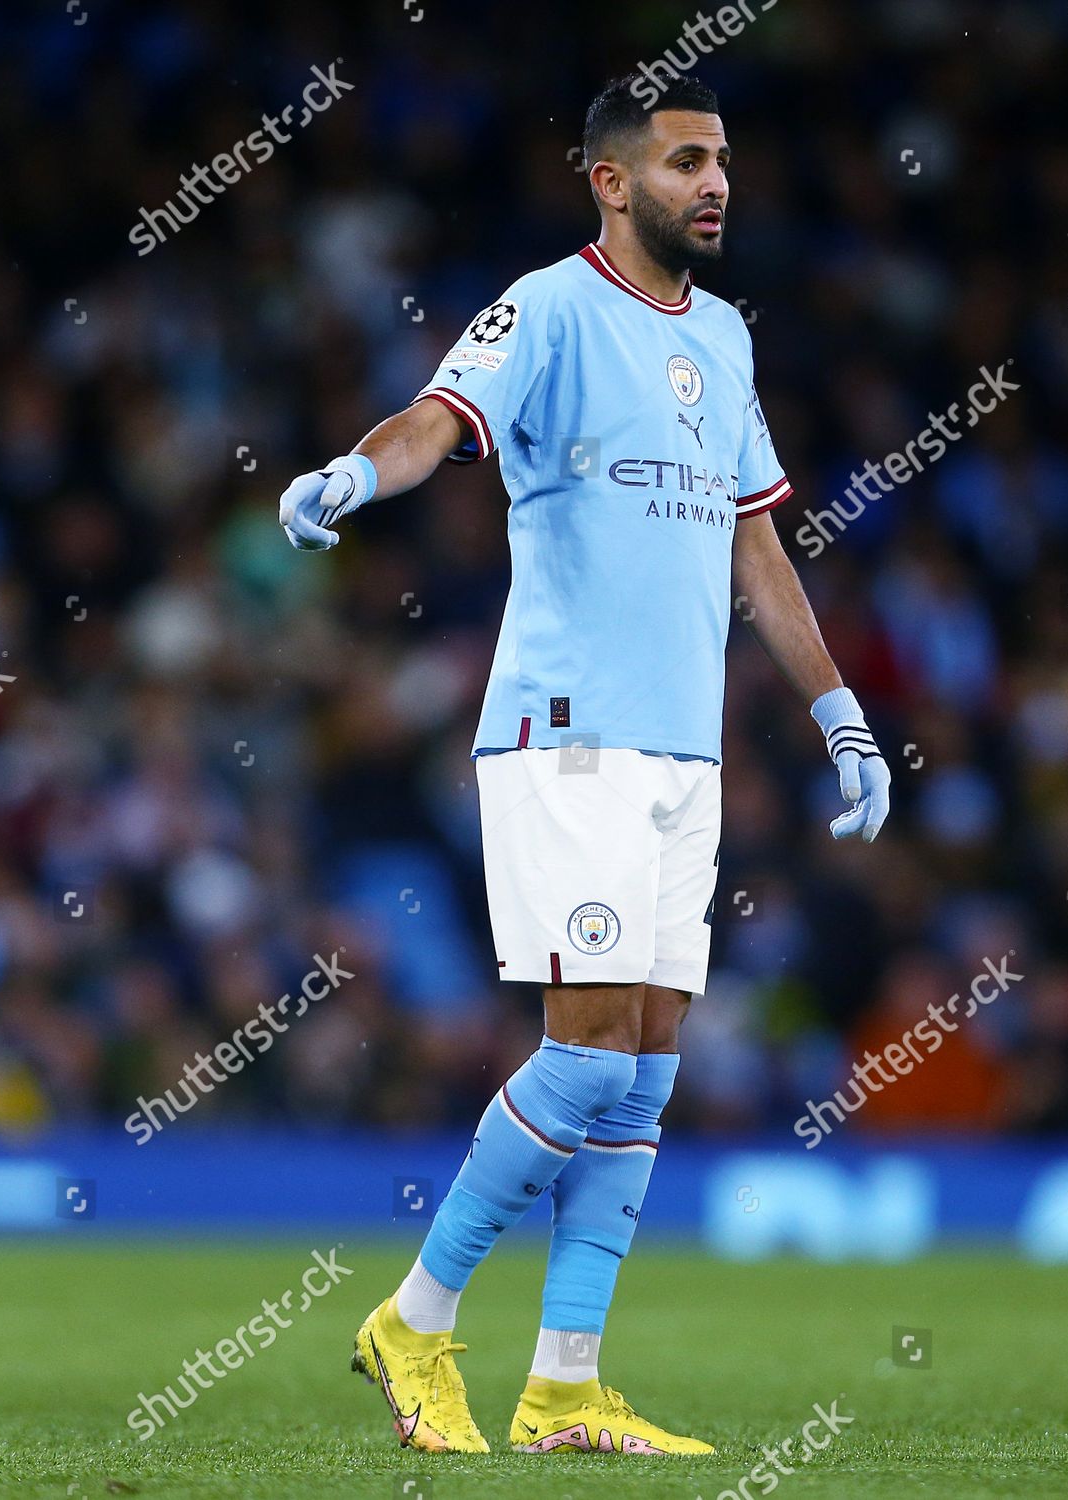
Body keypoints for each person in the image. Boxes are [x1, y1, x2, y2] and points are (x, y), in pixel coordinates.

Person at [278, 72, 890, 1458]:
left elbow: (756, 544)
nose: (715, 183)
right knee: (586, 1052)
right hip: (571, 733)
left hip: (686, 750)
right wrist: (354, 477)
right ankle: (417, 1321)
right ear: (612, 182)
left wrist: (840, 712)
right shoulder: (550, 307)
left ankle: (565, 1383)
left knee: (648, 1069)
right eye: (685, 162)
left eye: (723, 159)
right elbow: (438, 419)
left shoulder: (726, 339)